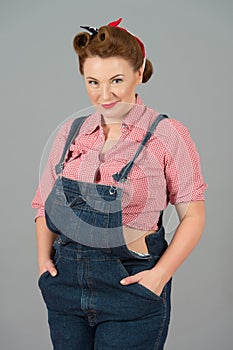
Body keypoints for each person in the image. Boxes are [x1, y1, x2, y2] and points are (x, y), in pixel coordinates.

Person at [32, 18, 207, 350]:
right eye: (93, 82)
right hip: (66, 290)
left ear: (139, 74)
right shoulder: (71, 133)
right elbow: (43, 205)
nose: (105, 94)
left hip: (130, 288)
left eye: (116, 80)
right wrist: (44, 261)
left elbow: (194, 216)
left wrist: (159, 277)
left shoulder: (168, 135)